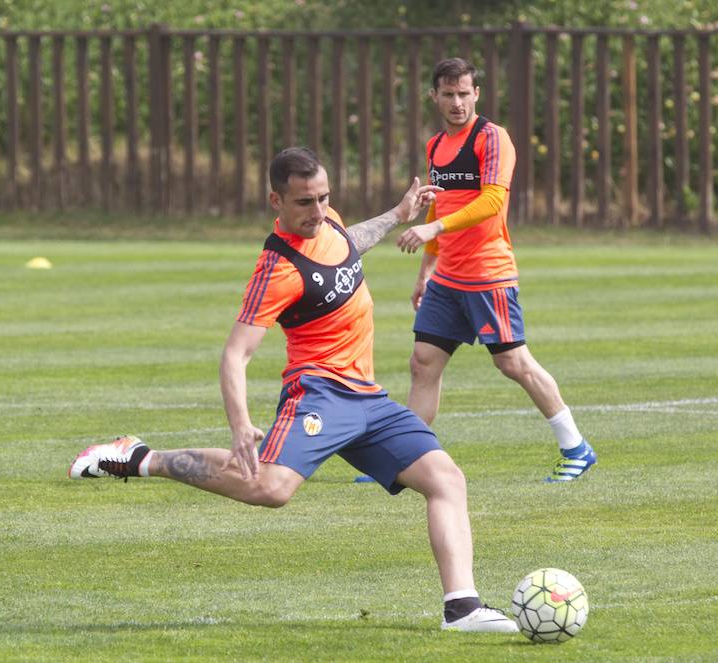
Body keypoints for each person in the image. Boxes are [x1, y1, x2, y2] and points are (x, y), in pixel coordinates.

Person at [68, 147, 518, 633]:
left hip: (368, 397)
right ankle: (140, 457)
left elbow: (348, 244)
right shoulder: (276, 269)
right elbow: (235, 355)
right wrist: (240, 424)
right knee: (270, 488)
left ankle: (462, 608)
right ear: (276, 201)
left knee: (446, 478)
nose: (318, 212)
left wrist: (395, 215)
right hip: (319, 394)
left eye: (324, 198)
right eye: (305, 202)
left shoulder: (327, 222)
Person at [396, 58, 597, 482]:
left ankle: (576, 447)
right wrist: (426, 269)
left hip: (488, 274)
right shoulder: (435, 146)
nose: (457, 102)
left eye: (464, 93)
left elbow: (491, 202)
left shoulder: (493, 138)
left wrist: (433, 225)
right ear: (434, 96)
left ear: (477, 94)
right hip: (448, 277)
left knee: (513, 364)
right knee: (423, 361)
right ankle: (408, 459)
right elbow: (441, 204)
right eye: (448, 94)